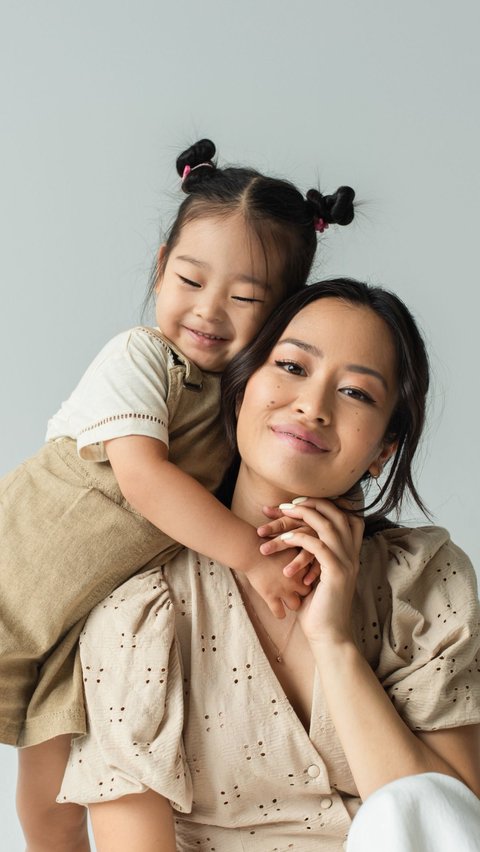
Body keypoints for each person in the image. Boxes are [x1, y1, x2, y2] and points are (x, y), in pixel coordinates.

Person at [0, 139, 356, 850]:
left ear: (282, 316)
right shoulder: (139, 357)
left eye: (246, 298)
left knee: (54, 801)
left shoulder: (245, 414)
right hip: (20, 578)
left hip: (80, 628)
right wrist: (254, 560)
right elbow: (145, 479)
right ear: (161, 267)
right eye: (190, 280)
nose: (209, 311)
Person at [59, 279, 480, 851]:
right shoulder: (139, 612)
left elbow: (449, 826)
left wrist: (334, 644)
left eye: (357, 393)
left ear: (384, 448)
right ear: (240, 391)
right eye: (291, 366)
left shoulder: (425, 580)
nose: (313, 406)